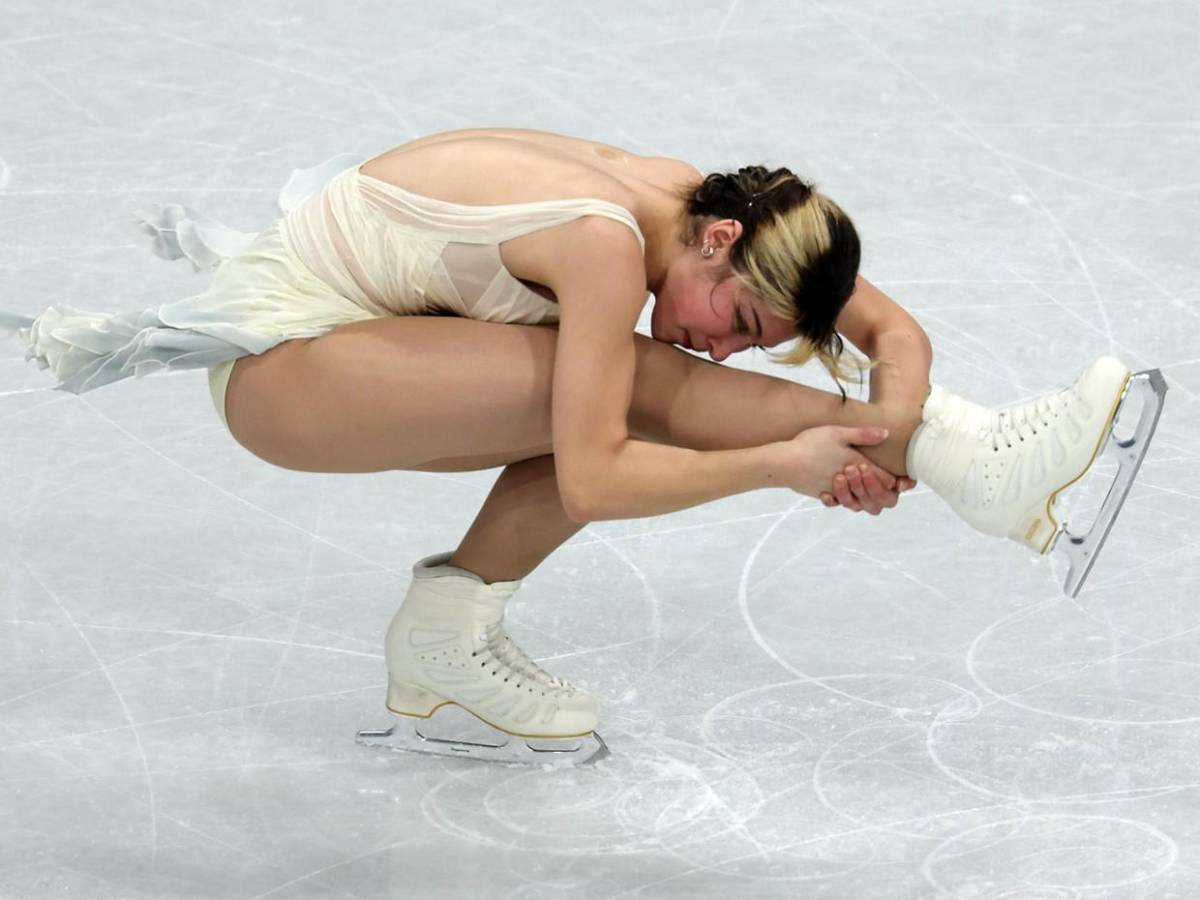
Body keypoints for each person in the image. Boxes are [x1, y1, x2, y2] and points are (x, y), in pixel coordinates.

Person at [0, 127, 1154, 767]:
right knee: (637, 384)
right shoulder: (608, 244)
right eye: (745, 325)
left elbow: (892, 329)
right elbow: (596, 477)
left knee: (621, 383)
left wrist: (883, 428)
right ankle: (982, 471)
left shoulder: (701, 208)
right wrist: (786, 461)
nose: (737, 352)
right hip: (288, 371)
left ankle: (442, 642)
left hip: (377, 345)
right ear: (717, 241)